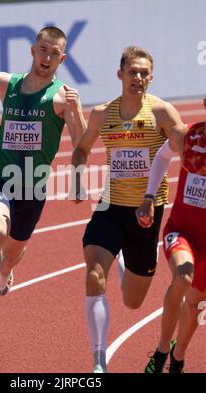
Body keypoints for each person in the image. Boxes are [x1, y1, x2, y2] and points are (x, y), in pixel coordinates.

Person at [0, 26, 87, 347]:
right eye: (43, 49)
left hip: (31, 186)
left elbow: (81, 143)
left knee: (12, 252)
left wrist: (78, 109)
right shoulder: (5, 83)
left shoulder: (61, 98)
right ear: (32, 50)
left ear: (62, 58)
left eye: (54, 53)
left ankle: (6, 271)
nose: (47, 57)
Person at [70, 46, 186, 373]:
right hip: (109, 207)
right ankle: (98, 359)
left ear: (151, 77)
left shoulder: (162, 113)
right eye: (132, 72)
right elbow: (81, 150)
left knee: (132, 302)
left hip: (146, 215)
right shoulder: (102, 114)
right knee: (94, 275)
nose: (138, 78)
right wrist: (77, 179)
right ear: (120, 74)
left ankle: (122, 258)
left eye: (144, 73)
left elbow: (181, 148)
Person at [136, 97, 206, 373]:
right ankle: (162, 350)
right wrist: (149, 197)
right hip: (182, 231)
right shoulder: (189, 135)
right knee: (182, 275)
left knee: (194, 304)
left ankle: (178, 356)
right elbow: (162, 156)